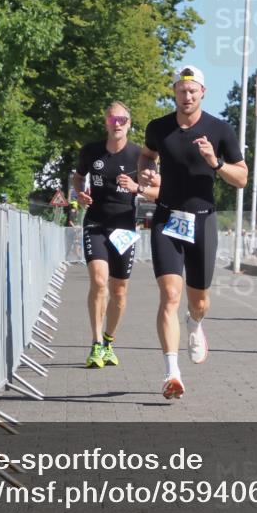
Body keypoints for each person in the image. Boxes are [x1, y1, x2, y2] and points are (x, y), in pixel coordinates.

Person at [138, 65, 248, 399]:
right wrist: (145, 173)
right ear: (174, 92)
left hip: (203, 220)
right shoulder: (159, 128)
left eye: (193, 91)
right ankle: (172, 373)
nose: (187, 97)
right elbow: (146, 155)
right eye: (181, 90)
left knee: (198, 300)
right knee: (170, 295)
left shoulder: (220, 129)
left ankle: (195, 323)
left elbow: (241, 178)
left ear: (202, 93)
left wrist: (215, 163)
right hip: (167, 219)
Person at [73, 102, 158, 369]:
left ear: (129, 123)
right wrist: (80, 193)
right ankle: (96, 343)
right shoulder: (91, 151)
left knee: (119, 290)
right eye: (112, 120)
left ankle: (109, 340)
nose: (117, 124)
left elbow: (157, 191)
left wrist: (136, 188)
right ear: (106, 123)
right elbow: (78, 178)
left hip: (124, 226)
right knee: (99, 281)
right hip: (96, 221)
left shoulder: (140, 156)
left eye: (122, 119)